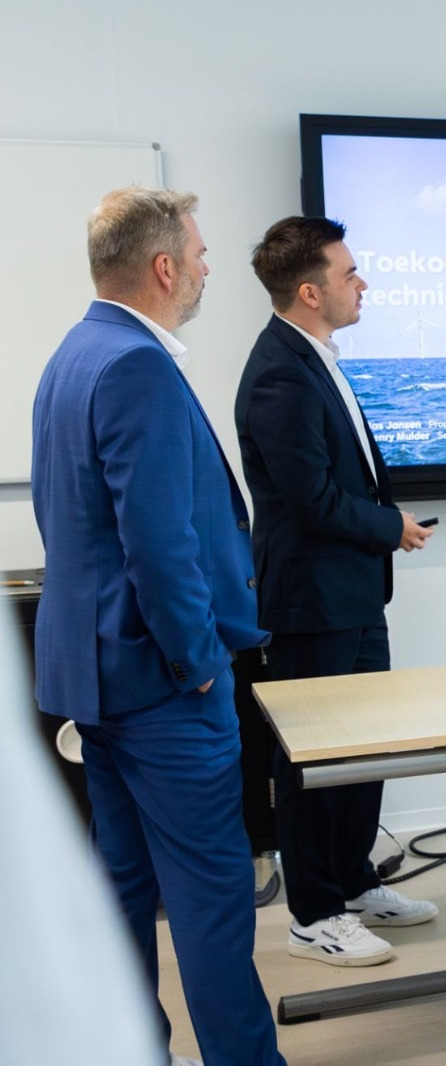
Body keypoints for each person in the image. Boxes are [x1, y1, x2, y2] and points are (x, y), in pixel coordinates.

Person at [30, 186, 284, 1064]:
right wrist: (197, 664)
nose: (211, 266)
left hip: (95, 680)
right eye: (203, 254)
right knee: (214, 899)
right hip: (163, 686)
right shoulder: (136, 365)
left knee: (125, 891)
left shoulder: (72, 354)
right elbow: (158, 542)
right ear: (164, 266)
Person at [235, 216, 436, 966]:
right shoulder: (280, 372)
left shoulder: (314, 356)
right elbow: (313, 499)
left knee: (364, 751)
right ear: (311, 290)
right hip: (310, 604)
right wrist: (392, 526)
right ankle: (313, 914)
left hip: (351, 598)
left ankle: (353, 883)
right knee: (313, 764)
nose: (363, 284)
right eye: (351, 274)